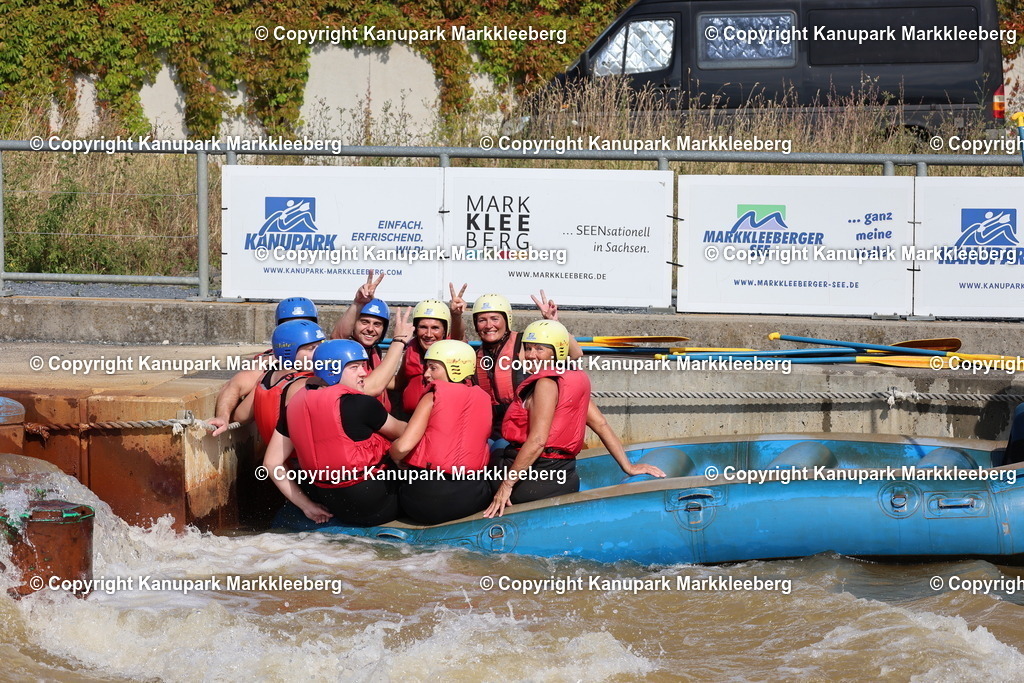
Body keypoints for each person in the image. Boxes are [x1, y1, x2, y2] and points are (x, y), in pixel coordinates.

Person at [484, 320, 665, 518]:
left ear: (555, 352)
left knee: (493, 449)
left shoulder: (545, 383)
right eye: (527, 348)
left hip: (533, 482)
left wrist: (507, 485)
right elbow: (601, 424)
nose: (530, 355)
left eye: (539, 349)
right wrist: (628, 466)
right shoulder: (573, 379)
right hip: (566, 479)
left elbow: (537, 441)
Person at [263, 340, 407, 525]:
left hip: (332, 503)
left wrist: (307, 506)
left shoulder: (294, 406)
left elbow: (271, 463)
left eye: (363, 366)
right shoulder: (362, 404)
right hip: (377, 504)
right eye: (354, 367)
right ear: (332, 370)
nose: (363, 372)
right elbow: (404, 433)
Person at [389, 340, 493, 524]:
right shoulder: (484, 399)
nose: (426, 374)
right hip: (471, 499)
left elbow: (403, 446)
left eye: (433, 368)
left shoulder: (432, 396)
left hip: (426, 501)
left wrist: (394, 455)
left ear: (454, 368)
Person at [470, 291, 584, 435]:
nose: (489, 325)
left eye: (495, 319)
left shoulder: (524, 345)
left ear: (506, 319)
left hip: (522, 424)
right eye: (482, 320)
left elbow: (575, 354)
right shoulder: (476, 354)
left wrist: (554, 324)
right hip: (490, 427)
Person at [209, 296, 319, 436]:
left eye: (304, 323)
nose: (297, 329)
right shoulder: (268, 364)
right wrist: (223, 417)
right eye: (289, 324)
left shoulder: (327, 354)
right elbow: (234, 387)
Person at [331, 271, 414, 411]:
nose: (370, 329)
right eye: (364, 322)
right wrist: (357, 304)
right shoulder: (347, 351)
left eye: (377, 324)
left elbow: (388, 381)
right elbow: (337, 338)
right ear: (354, 324)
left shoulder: (374, 350)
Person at [233, 319, 325, 444]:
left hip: (278, 458)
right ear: (289, 351)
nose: (319, 353)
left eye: (320, 347)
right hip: (300, 460)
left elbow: (241, 416)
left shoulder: (265, 378)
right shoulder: (307, 384)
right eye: (312, 348)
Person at [396, 285, 467, 414]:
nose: (428, 334)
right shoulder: (411, 348)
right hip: (410, 418)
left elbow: (458, 336)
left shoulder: (453, 348)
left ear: (445, 330)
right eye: (423, 327)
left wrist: (456, 316)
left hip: (441, 419)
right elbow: (398, 382)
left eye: (435, 328)